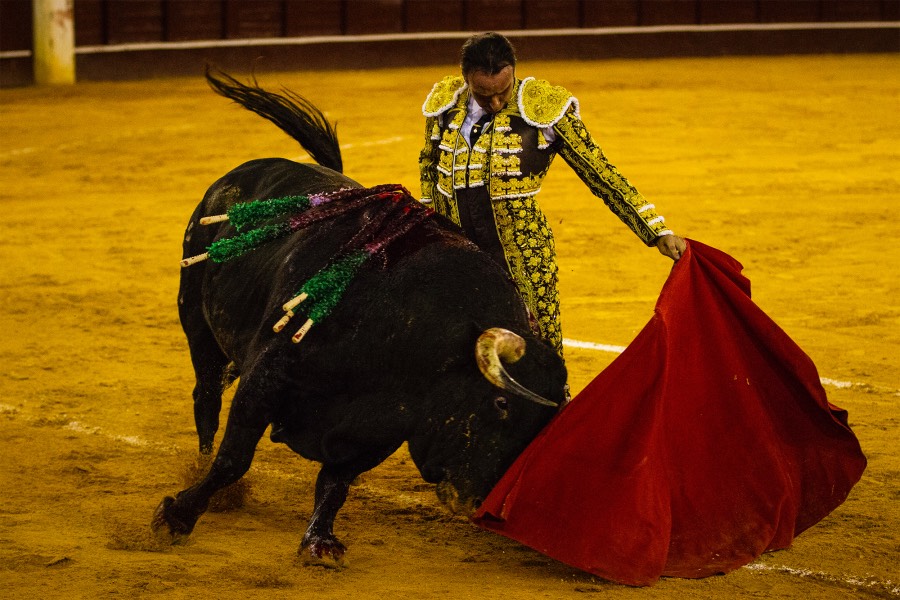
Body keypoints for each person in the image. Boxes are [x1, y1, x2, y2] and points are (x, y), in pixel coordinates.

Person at [418, 32, 686, 357]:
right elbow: (430, 169)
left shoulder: (542, 107)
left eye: (502, 92)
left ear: (513, 70)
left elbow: (598, 171)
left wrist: (654, 228)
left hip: (522, 251)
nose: (496, 103)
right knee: (458, 349)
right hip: (459, 253)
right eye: (484, 95)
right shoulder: (446, 106)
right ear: (467, 80)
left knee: (539, 351)